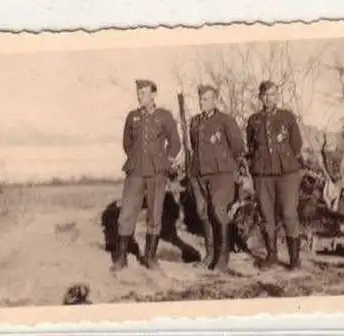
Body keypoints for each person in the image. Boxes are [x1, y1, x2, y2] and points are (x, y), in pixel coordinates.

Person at [111, 79, 181, 272]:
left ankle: (150, 257)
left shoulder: (164, 116)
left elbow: (175, 143)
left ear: (153, 94)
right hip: (135, 172)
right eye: (139, 92)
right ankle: (121, 257)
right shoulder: (132, 117)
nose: (140, 95)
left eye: (144, 92)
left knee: (155, 213)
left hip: (157, 172)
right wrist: (136, 158)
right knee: (126, 213)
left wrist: (165, 161)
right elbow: (127, 143)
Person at [245, 80, 304, 271]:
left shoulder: (287, 117)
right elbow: (251, 147)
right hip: (262, 174)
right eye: (267, 95)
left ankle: (295, 259)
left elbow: (296, 144)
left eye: (274, 94)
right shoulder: (253, 120)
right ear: (260, 97)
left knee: (288, 213)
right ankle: (271, 256)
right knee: (266, 215)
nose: (271, 98)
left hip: (286, 173)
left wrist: (285, 161)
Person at [189, 84, 245, 272]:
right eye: (201, 99)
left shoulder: (226, 120)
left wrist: (229, 166)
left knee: (219, 211)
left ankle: (222, 258)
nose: (203, 102)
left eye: (207, 98)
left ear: (215, 100)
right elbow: (194, 145)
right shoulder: (195, 122)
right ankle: (210, 255)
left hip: (222, 174)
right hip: (199, 173)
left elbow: (237, 147)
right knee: (203, 212)